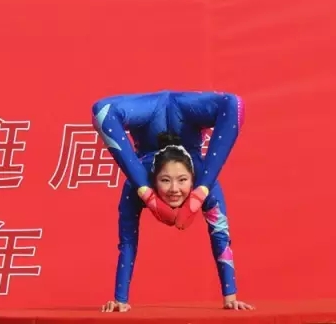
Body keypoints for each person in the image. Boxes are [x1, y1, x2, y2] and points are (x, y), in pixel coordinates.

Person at [91, 90, 253, 312]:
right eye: (165, 181)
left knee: (234, 103)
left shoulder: (205, 180)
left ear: (192, 178)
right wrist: (120, 299)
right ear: (154, 179)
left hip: (186, 112)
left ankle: (193, 191)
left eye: (182, 180)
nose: (174, 189)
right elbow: (127, 242)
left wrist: (230, 297)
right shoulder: (135, 185)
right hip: (149, 114)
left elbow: (221, 236)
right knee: (101, 111)